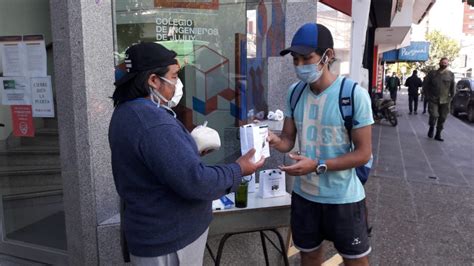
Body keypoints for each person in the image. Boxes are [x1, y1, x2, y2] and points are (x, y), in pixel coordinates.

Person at [108, 42, 265, 265]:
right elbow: (197, 182)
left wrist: (187, 150)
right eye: (173, 76)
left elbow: (154, 166)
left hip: (156, 235)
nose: (177, 83)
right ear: (153, 80)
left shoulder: (126, 112)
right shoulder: (153, 123)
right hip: (169, 241)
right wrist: (239, 169)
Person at [268, 23, 374, 266]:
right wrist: (275, 141)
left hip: (344, 199)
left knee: (355, 261)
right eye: (295, 59)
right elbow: (287, 141)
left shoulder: (353, 94)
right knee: (310, 256)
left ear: (328, 56)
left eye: (307, 58)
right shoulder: (294, 93)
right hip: (305, 197)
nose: (300, 65)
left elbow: (363, 153)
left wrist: (318, 165)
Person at [422, 57, 455, 141]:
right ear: (439, 63)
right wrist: (427, 96)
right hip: (433, 99)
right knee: (434, 115)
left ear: (447, 64)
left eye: (445, 63)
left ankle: (438, 134)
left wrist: (451, 97)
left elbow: (453, 87)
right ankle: (431, 127)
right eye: (442, 62)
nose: (444, 64)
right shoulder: (432, 73)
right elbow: (425, 85)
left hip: (445, 100)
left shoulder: (450, 74)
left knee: (442, 117)